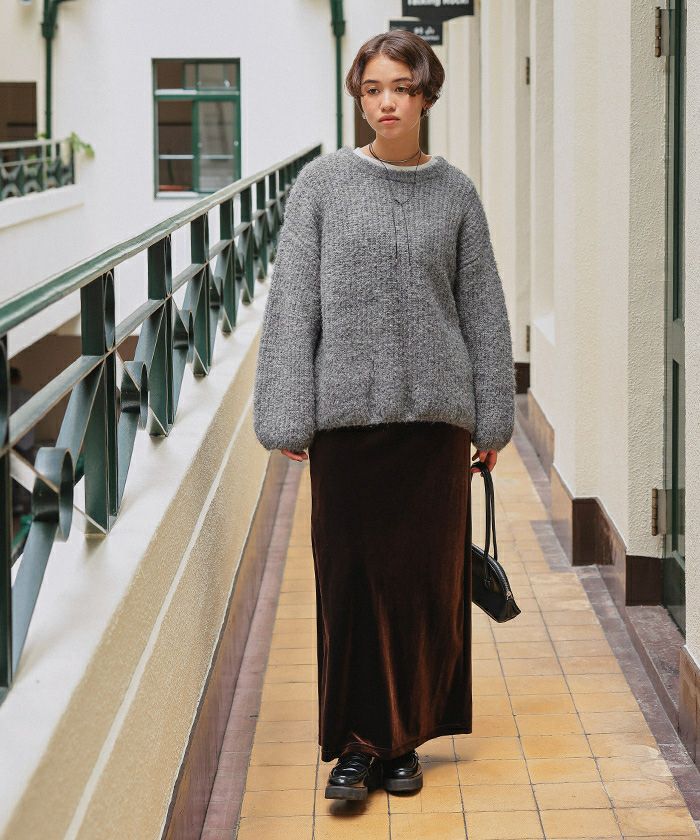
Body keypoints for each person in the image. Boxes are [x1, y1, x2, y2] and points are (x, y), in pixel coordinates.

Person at [253, 30, 515, 802]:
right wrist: (287, 412)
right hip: (346, 426)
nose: (387, 102)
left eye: (401, 87)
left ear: (426, 94)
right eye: (373, 89)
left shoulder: (456, 193)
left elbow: (483, 308)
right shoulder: (322, 186)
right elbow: (293, 302)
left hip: (435, 429)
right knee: (349, 583)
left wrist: (491, 418)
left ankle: (405, 741)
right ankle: (356, 745)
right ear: (359, 98)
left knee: (425, 587)